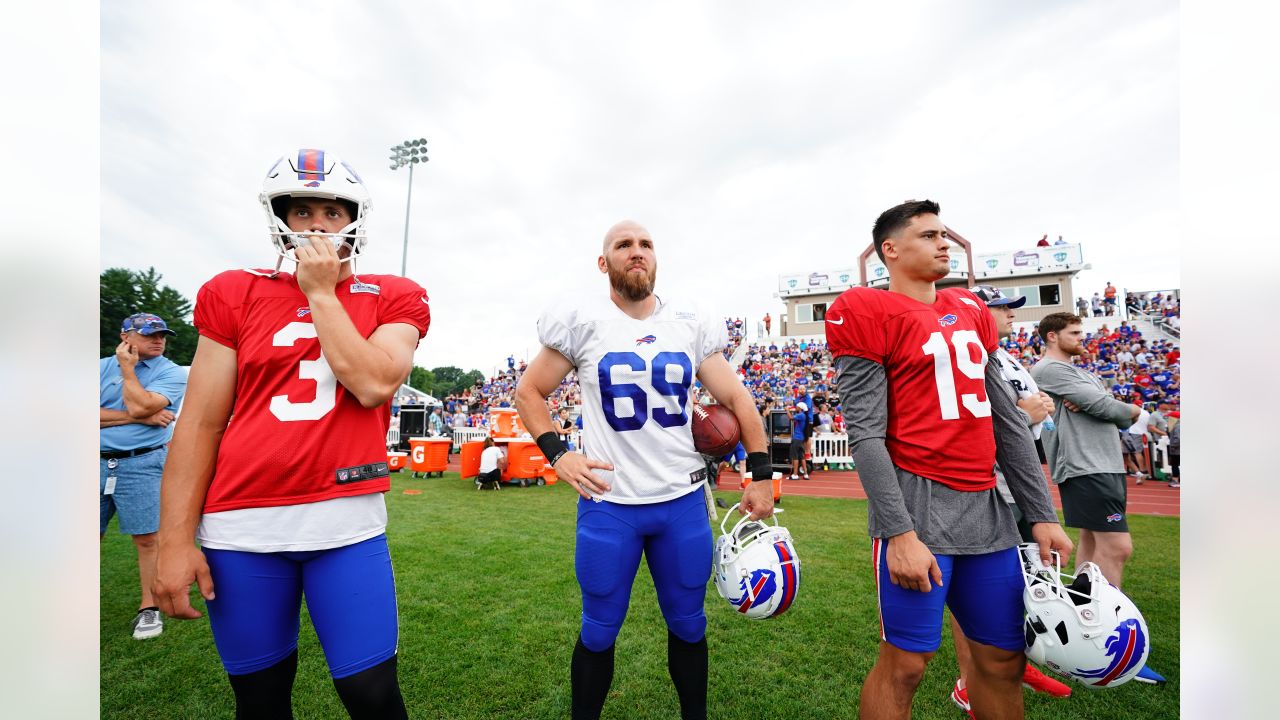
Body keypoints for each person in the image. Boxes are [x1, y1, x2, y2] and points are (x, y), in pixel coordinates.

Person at [152, 148, 431, 718]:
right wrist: (176, 540)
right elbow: (201, 422)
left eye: (332, 211)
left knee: (373, 696)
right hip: (241, 526)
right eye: (301, 211)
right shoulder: (235, 291)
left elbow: (375, 383)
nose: (318, 225)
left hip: (345, 522)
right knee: (260, 700)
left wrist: (321, 293)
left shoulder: (393, 293)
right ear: (279, 215)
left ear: (355, 216)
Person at [513, 219, 775, 720]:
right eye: (624, 245)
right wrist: (558, 453)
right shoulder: (581, 319)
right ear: (603, 261)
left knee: (689, 624)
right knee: (598, 628)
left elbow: (737, 397)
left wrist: (761, 473)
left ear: (657, 257)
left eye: (646, 244)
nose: (637, 252)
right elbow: (528, 392)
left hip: (680, 502)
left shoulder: (690, 320)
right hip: (610, 504)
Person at [826, 200, 1071, 720]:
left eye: (944, 233)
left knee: (1002, 659)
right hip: (919, 503)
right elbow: (866, 434)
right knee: (907, 663)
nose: (943, 243)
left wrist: (1042, 514)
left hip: (987, 508)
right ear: (889, 250)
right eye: (928, 235)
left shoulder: (969, 310)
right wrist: (899, 532)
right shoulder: (867, 310)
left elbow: (1005, 419)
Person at [945, 286, 1071, 715]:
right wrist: (1027, 414)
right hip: (986, 481)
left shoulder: (1004, 356)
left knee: (1018, 578)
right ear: (977, 311)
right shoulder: (964, 356)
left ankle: (1011, 662)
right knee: (974, 587)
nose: (1012, 315)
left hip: (1018, 476)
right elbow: (966, 423)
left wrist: (1039, 410)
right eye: (1002, 308)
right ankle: (969, 679)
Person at [100, 312, 187, 639]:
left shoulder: (171, 372)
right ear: (125, 337)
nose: (159, 340)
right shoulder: (96, 368)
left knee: (148, 538)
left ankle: (148, 608)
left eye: (162, 334)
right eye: (150, 334)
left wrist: (127, 370)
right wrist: (138, 418)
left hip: (143, 462)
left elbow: (142, 406)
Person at [787, 403, 809, 480]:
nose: (796, 408)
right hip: (801, 438)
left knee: (795, 457)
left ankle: (795, 474)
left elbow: (790, 418)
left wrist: (787, 410)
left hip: (796, 438)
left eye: (797, 407)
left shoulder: (801, 415)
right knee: (802, 457)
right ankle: (805, 474)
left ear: (800, 408)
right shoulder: (804, 415)